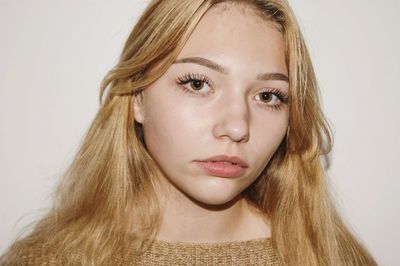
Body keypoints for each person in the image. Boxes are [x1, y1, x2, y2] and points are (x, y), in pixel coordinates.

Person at [0, 0, 377, 265]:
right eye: (198, 84)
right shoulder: (47, 260)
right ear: (137, 98)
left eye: (268, 95)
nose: (237, 126)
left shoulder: (332, 258)